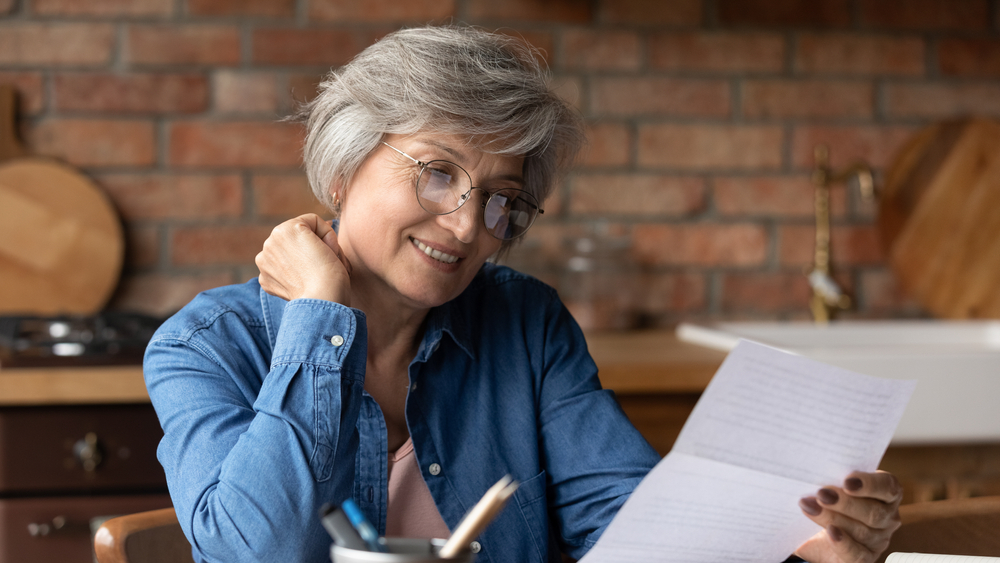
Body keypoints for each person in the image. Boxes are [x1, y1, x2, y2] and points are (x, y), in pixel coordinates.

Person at [144, 25, 902, 563]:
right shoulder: (205, 344)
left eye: (503, 199)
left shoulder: (526, 320)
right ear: (343, 170)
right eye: (437, 170)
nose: (470, 223)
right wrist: (320, 317)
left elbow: (628, 528)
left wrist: (798, 545)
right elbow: (259, 552)